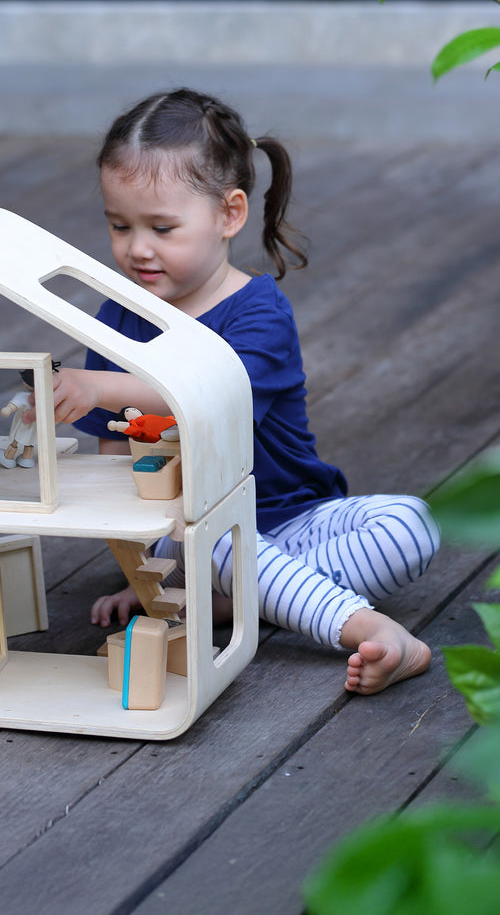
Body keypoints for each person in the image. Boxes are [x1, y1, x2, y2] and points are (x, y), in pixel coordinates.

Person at [46, 88, 440, 696]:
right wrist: (145, 573)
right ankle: (366, 626)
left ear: (230, 215)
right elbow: (112, 464)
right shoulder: (116, 315)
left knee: (411, 526)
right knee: (214, 537)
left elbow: (215, 395)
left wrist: (98, 385)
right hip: (191, 530)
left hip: (296, 516)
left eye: (162, 227)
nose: (136, 247)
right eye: (119, 225)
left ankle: (234, 602)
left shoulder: (259, 313)